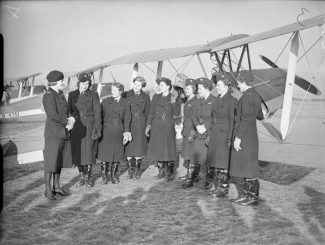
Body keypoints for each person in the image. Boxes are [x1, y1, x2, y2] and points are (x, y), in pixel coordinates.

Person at [230, 76, 264, 206]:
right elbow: (259, 116)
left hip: (245, 136)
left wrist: (238, 138)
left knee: (248, 165)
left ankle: (252, 197)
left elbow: (246, 119)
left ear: (244, 82)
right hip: (250, 135)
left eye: (239, 83)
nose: (238, 86)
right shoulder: (255, 95)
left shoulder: (247, 96)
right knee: (245, 164)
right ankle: (246, 195)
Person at [42, 70, 74, 200]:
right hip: (53, 133)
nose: (63, 83)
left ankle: (56, 186)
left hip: (63, 132)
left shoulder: (60, 94)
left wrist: (71, 119)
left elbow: (66, 111)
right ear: (55, 82)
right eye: (61, 81)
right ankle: (47, 189)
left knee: (58, 161)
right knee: (51, 161)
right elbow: (52, 115)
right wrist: (67, 121)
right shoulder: (49, 95)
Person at [182, 77, 217, 188]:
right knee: (194, 156)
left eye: (200, 88)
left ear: (207, 88)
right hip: (198, 133)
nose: (198, 90)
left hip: (208, 134)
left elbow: (216, 118)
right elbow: (193, 116)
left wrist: (206, 127)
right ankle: (190, 179)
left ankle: (209, 180)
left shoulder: (214, 101)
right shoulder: (199, 101)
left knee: (208, 158)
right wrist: (197, 125)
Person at [68, 72, 101, 187]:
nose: (85, 86)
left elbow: (98, 112)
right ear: (79, 83)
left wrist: (97, 128)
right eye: (83, 83)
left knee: (88, 153)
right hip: (77, 126)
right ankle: (82, 177)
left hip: (89, 126)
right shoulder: (72, 95)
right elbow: (69, 112)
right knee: (78, 153)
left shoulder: (94, 94)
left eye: (87, 83)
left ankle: (88, 178)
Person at [145, 77, 181, 181]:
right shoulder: (156, 97)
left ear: (168, 86)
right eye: (159, 85)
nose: (159, 87)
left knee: (168, 148)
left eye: (161, 85)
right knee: (158, 148)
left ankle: (169, 172)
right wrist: (148, 126)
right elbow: (151, 112)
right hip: (156, 125)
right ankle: (161, 171)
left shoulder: (174, 97)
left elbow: (177, 113)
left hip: (168, 125)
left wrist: (174, 102)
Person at [206, 79, 237, 197]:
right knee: (216, 160)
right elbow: (212, 118)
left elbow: (232, 121)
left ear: (226, 86)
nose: (216, 87)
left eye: (219, 85)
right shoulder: (217, 100)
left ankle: (224, 188)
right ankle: (218, 185)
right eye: (216, 85)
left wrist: (230, 138)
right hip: (215, 133)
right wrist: (209, 134)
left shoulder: (232, 100)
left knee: (223, 161)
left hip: (224, 134)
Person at [97, 83, 131, 184]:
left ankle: (114, 176)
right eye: (112, 90)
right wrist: (99, 130)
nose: (112, 92)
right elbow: (100, 116)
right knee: (104, 154)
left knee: (117, 153)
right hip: (106, 130)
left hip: (118, 130)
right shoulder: (105, 101)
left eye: (115, 90)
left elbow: (127, 119)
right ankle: (104, 176)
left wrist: (126, 132)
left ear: (120, 91)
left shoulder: (125, 103)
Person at [123, 77, 150, 179]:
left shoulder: (146, 97)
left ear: (142, 86)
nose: (136, 87)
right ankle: (130, 170)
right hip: (129, 123)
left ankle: (137, 171)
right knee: (129, 147)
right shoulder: (125, 95)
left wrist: (148, 126)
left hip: (140, 124)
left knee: (139, 147)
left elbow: (148, 112)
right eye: (135, 84)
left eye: (139, 85)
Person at [177, 79, 198, 182]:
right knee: (188, 154)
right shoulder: (188, 101)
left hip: (191, 131)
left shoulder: (195, 101)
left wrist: (193, 132)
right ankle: (190, 175)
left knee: (192, 153)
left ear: (194, 89)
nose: (186, 90)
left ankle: (192, 176)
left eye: (188, 89)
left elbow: (196, 118)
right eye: (185, 88)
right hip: (186, 129)